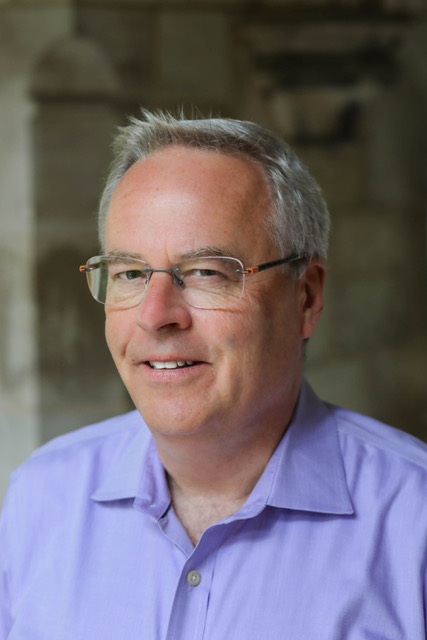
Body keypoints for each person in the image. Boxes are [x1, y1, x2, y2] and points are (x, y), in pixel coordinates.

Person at [1, 110, 426, 639]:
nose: (156, 315)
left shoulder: (415, 522)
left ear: (306, 296)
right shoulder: (43, 494)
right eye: (130, 273)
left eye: (206, 272)